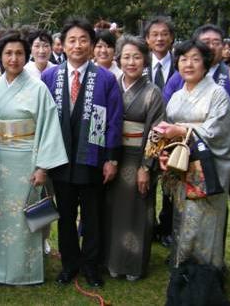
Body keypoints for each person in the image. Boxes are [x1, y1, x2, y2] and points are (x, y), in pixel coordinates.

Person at [41, 17, 123, 288]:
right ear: (62, 45)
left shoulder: (106, 79)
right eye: (71, 40)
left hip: (92, 160)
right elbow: (42, 119)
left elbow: (113, 121)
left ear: (91, 45)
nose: (77, 45)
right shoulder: (49, 76)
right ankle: (69, 264)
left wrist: (111, 158)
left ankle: (91, 266)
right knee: (64, 217)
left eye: (83, 40)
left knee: (92, 217)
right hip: (60, 159)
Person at [0, 32, 68, 285]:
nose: (14, 58)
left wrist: (43, 167)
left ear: (26, 55)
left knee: (25, 214)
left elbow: (49, 127)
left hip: (27, 159)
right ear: (0, 56)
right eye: (8, 53)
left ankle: (27, 271)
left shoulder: (38, 88)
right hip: (0, 158)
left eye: (19, 53)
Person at [158, 39, 230, 271]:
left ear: (206, 63)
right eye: (183, 59)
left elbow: (218, 131)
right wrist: (165, 151)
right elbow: (168, 130)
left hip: (208, 167)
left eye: (195, 59)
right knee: (183, 216)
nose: (188, 64)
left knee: (206, 220)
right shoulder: (176, 96)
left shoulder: (217, 94)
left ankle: (207, 271)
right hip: (182, 166)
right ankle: (182, 265)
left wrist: (182, 130)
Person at [104, 35, 164, 281]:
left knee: (137, 212)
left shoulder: (153, 93)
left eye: (137, 57)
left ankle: (132, 264)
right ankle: (110, 261)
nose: (131, 62)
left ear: (145, 60)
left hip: (138, 157)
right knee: (111, 211)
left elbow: (156, 132)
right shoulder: (112, 84)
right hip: (113, 156)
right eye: (126, 56)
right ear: (119, 59)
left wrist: (146, 167)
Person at [163, 24, 230, 112]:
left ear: (222, 47)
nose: (211, 47)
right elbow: (165, 108)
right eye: (206, 42)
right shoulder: (179, 77)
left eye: (216, 43)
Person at [143, 16, 177, 248]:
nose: (159, 38)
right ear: (147, 39)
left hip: (174, 133)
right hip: (146, 132)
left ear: (172, 38)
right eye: (154, 34)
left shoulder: (181, 64)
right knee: (145, 179)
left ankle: (167, 227)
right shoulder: (138, 62)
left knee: (171, 182)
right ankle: (146, 226)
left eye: (164, 34)